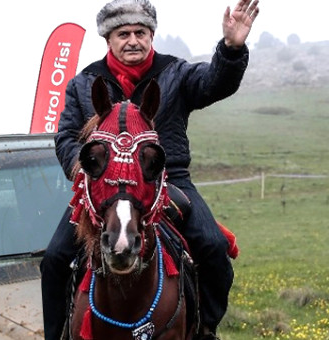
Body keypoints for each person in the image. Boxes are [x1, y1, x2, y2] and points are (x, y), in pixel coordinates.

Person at [40, 0, 259, 339]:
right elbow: (66, 136)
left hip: (169, 181)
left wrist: (232, 48)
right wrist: (86, 172)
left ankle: (205, 330)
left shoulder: (176, 72)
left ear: (151, 35)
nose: (133, 40)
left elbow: (215, 83)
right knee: (54, 259)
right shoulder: (84, 83)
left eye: (140, 33)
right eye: (123, 33)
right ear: (108, 39)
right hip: (104, 185)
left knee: (213, 248)